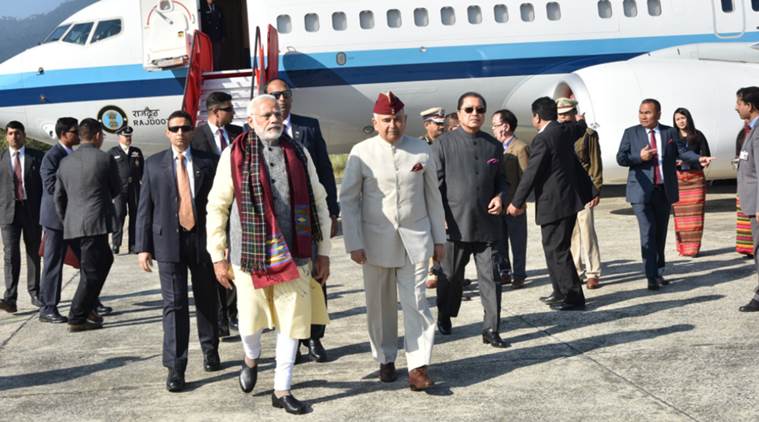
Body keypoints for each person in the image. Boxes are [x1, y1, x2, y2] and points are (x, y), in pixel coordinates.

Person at [206, 95, 331, 414]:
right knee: (250, 324)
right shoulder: (233, 154)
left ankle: (282, 389)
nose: (274, 119)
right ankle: (251, 357)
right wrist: (217, 255)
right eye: (266, 115)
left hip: (296, 253)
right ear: (250, 121)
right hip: (250, 257)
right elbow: (217, 206)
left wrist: (324, 252)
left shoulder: (298, 151)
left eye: (277, 113)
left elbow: (318, 200)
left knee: (293, 322)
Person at [341, 92, 446, 390]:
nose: (392, 125)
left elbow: (433, 198)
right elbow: (349, 200)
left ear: (406, 120)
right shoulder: (361, 152)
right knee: (379, 305)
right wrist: (353, 242)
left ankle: (418, 366)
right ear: (375, 122)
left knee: (417, 303)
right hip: (374, 242)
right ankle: (386, 358)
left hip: (416, 240)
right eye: (386, 120)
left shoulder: (421, 150)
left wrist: (439, 239)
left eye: (397, 119)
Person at [135, 110, 221, 392]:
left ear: (192, 131)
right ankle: (175, 366)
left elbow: (221, 204)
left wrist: (223, 241)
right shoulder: (153, 164)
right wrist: (143, 247)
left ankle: (210, 349)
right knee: (174, 304)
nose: (180, 133)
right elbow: (144, 208)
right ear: (167, 132)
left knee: (207, 298)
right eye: (175, 129)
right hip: (168, 242)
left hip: (202, 241)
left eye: (185, 128)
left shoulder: (209, 162)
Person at [265, 78, 339, 363]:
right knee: (285, 280)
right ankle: (291, 341)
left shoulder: (308, 127)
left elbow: (325, 170)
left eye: (285, 94)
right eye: (275, 95)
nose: (281, 99)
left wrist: (331, 210)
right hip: (279, 221)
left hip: (308, 217)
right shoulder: (259, 130)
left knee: (316, 276)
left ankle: (315, 338)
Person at [431, 92, 509, 347]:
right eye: (469, 109)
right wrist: (439, 215)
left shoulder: (493, 145)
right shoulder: (443, 145)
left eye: (480, 109)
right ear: (459, 112)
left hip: (487, 225)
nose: (475, 113)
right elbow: (434, 186)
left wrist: (500, 197)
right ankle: (444, 314)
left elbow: (502, 180)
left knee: (491, 278)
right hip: (455, 224)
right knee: (450, 277)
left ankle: (491, 329)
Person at [507, 97, 597, 311]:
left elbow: (531, 173)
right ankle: (560, 291)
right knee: (553, 248)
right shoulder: (563, 130)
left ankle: (573, 297)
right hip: (568, 200)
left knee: (558, 249)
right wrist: (581, 121)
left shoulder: (543, 139)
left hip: (555, 202)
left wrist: (516, 202)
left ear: (537, 117)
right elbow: (578, 127)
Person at [616, 99, 713, 290]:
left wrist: (698, 158)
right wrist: (639, 157)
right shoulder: (631, 133)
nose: (643, 116)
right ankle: (651, 276)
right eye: (641, 112)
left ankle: (659, 271)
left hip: (663, 190)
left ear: (658, 114)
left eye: (648, 112)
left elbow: (682, 152)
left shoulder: (669, 132)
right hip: (640, 191)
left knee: (660, 233)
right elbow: (621, 158)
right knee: (648, 232)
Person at [54, 118, 121, 331]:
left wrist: (67, 219)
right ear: (98, 135)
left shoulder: (65, 162)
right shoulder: (104, 158)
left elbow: (58, 197)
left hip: (73, 224)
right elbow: (116, 189)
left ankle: (88, 306)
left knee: (101, 262)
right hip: (95, 223)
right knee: (92, 272)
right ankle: (77, 317)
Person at [191, 91, 242, 339]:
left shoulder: (238, 133)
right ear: (215, 111)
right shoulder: (196, 138)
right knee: (215, 263)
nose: (233, 113)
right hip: (209, 211)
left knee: (234, 263)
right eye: (229, 109)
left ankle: (232, 313)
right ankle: (219, 318)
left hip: (236, 210)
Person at [556, 98, 603, 290]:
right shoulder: (556, 134)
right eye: (560, 114)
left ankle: (593, 272)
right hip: (565, 189)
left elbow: (595, 162)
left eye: (567, 114)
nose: (564, 117)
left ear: (574, 113)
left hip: (583, 187)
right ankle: (576, 269)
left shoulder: (588, 134)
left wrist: (596, 189)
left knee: (587, 230)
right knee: (572, 232)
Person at [38, 117, 81, 324]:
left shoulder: (74, 154)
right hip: (56, 220)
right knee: (53, 264)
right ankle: (48, 307)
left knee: (87, 261)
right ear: (64, 134)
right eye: (75, 131)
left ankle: (90, 301)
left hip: (74, 218)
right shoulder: (52, 156)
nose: (78, 135)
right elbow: (50, 186)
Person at [0, 121, 43, 314]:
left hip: (32, 211)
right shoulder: (1, 158)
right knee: (10, 255)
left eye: (17, 133)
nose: (14, 137)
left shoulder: (37, 157)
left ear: (24, 135)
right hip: (8, 213)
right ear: (6, 136)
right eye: (10, 133)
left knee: (33, 252)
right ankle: (10, 298)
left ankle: (35, 293)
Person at [491, 109, 529, 289]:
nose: (493, 129)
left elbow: (526, 179)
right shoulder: (494, 148)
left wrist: (519, 202)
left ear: (505, 126)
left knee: (518, 242)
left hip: (515, 204)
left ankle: (519, 274)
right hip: (498, 204)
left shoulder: (520, 148)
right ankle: (504, 271)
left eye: (495, 125)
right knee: (500, 242)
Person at [671, 107, 711, 257]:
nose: (681, 121)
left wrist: (699, 162)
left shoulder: (698, 135)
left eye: (683, 118)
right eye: (677, 119)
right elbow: (668, 156)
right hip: (679, 179)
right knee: (680, 216)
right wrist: (676, 162)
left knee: (695, 215)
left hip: (695, 179)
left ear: (688, 119)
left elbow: (705, 155)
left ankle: (693, 249)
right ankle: (682, 248)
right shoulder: (672, 137)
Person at [735, 86, 759, 312]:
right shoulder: (751, 129)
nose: (736, 107)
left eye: (739, 103)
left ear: (749, 106)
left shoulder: (758, 131)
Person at [109, 126, 144, 255]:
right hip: (119, 188)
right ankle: (116, 244)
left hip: (134, 187)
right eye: (126, 136)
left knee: (135, 216)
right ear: (119, 137)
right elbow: (108, 172)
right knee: (119, 215)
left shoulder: (136, 152)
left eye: (130, 136)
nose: (128, 138)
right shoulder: (112, 152)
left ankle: (133, 245)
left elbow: (142, 170)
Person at [192, 91, 243, 156]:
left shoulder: (240, 132)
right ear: (216, 112)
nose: (233, 112)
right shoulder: (195, 136)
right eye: (229, 109)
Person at [736, 117, 754, 257]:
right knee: (744, 217)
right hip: (743, 181)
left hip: (754, 180)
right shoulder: (742, 134)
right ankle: (747, 248)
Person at [200, 0, 225, 70]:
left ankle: (217, 69)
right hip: (207, 37)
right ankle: (210, 69)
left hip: (217, 36)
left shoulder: (218, 8)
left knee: (217, 55)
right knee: (208, 55)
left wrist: (223, 35)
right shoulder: (202, 8)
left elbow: (222, 23)